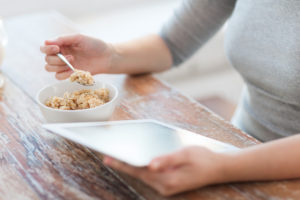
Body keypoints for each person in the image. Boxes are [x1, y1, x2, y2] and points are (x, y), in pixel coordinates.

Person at [40, 0, 300, 196]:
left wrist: (222, 166)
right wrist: (110, 55)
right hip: (237, 143)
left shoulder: (226, 164)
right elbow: (171, 43)